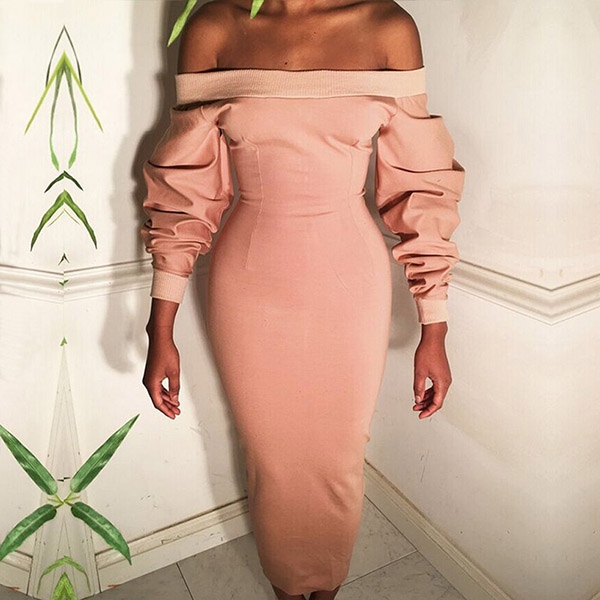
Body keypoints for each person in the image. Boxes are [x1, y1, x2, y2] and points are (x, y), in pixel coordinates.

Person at [140, 1, 465, 599]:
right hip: (250, 282)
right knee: (272, 457)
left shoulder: (388, 28)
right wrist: (160, 328)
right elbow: (184, 192)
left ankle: (328, 587)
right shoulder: (214, 28)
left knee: (340, 454)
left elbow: (421, 188)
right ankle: (289, 589)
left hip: (351, 283)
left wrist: (435, 326)